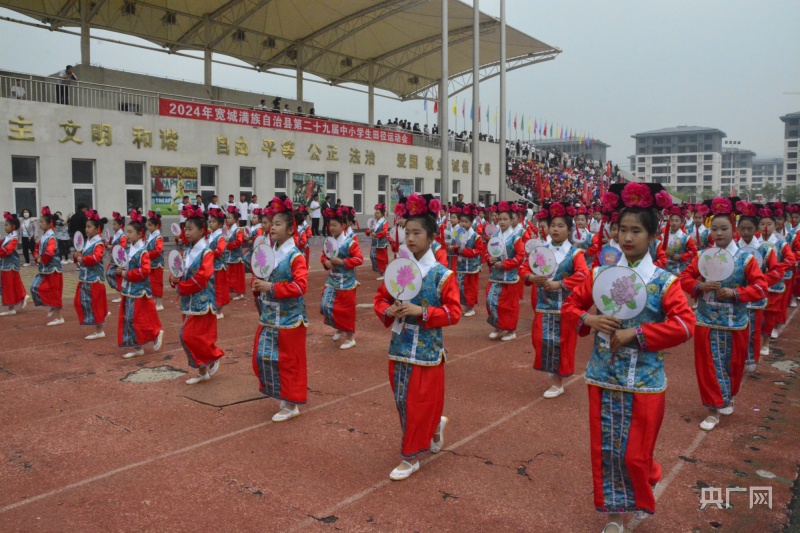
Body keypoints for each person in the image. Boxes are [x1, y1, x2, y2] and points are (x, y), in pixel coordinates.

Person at [562, 182, 695, 533]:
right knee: (606, 448)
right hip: (603, 375)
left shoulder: (664, 282)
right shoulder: (599, 274)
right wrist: (587, 319)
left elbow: (684, 325)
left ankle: (646, 473)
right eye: (622, 229)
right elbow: (569, 306)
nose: (627, 237)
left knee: (635, 454)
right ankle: (615, 513)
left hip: (646, 380)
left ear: (653, 235)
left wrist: (637, 334)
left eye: (636, 230)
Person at [373, 193, 461, 480]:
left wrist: (421, 312)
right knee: (402, 401)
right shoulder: (399, 269)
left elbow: (453, 313)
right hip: (399, 346)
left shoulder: (442, 275)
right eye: (406, 232)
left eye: (417, 232)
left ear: (432, 236)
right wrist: (389, 310)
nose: (410, 238)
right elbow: (380, 300)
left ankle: (410, 457)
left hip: (427, 352)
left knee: (417, 404)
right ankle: (435, 427)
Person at [678, 197, 767, 432]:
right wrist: (700, 287)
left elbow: (760, 288)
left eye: (723, 228)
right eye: (714, 229)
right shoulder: (703, 256)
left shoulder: (745, 259)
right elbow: (685, 278)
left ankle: (728, 395)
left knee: (733, 366)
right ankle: (712, 409)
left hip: (735, 322)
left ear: (733, 229)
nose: (718, 233)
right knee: (709, 366)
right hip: (707, 320)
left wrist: (736, 293)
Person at [521, 202, 589, 397]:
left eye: (560, 226)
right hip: (544, 305)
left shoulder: (575, 253)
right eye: (553, 225)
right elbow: (524, 268)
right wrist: (531, 277)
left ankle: (558, 382)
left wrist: (560, 284)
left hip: (565, 306)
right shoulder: (541, 250)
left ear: (569, 229)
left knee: (561, 343)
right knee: (540, 339)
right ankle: (553, 373)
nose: (555, 229)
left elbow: (584, 274)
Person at [252, 195, 308, 422]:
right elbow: (260, 276)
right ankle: (282, 397)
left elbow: (300, 286)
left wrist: (270, 287)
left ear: (290, 228)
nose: (272, 227)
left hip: (290, 319)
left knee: (289, 362)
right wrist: (257, 285)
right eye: (271, 223)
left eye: (277, 224)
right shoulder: (268, 252)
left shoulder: (296, 256)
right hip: (269, 315)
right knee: (263, 357)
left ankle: (291, 403)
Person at [170, 207, 225, 384]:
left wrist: (182, 287)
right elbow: (180, 273)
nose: (186, 232)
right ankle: (203, 371)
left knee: (188, 336)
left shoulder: (206, 252)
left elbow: (202, 276)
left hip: (202, 301)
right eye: (185, 229)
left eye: (190, 229)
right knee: (194, 338)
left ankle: (214, 355)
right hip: (189, 301)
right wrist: (174, 279)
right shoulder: (185, 253)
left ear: (202, 230)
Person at [736, 202, 780, 369]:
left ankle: (750, 359)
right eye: (743, 228)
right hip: (736, 295)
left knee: (753, 330)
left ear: (756, 229)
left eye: (749, 228)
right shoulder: (732, 248)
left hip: (754, 298)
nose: (746, 232)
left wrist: (760, 283)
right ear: (738, 229)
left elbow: (776, 271)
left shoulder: (764, 249)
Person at [118, 210, 164, 359]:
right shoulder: (130, 249)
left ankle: (155, 333)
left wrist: (127, 274)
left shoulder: (142, 252)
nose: (128, 235)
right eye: (127, 232)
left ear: (139, 234)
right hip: (130, 289)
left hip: (139, 290)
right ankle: (138, 347)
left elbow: (145, 271)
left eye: (130, 232)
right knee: (129, 318)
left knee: (136, 318)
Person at [320, 206, 364, 349]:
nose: (331, 228)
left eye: (335, 225)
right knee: (326, 305)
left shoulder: (350, 242)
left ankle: (350, 337)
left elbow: (359, 259)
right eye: (330, 225)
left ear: (343, 225)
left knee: (346, 310)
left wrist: (343, 262)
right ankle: (339, 327)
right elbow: (323, 256)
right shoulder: (329, 242)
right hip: (332, 279)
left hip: (346, 282)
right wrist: (325, 262)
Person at [484, 201, 525, 341]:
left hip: (510, 277)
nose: (501, 222)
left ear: (512, 220)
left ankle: (510, 330)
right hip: (495, 275)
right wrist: (490, 259)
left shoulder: (515, 237)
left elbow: (520, 256)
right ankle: (498, 326)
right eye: (499, 219)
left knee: (509, 306)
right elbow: (487, 252)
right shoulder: (495, 237)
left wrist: (505, 264)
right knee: (491, 300)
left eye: (505, 219)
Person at [758, 203, 796, 353]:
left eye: (769, 224)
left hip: (774, 284)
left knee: (770, 313)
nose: (765, 227)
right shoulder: (754, 243)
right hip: (756, 283)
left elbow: (791, 260)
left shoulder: (781, 243)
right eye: (762, 224)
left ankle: (766, 343)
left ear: (775, 226)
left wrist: (776, 270)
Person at [73, 209, 108, 340]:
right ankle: (99, 321)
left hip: (94, 280)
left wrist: (82, 259)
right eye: (86, 227)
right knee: (80, 301)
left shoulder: (98, 243)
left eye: (89, 227)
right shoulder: (88, 241)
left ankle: (99, 329)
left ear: (97, 228)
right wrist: (77, 257)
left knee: (95, 304)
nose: (86, 229)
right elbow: (82, 259)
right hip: (86, 278)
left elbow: (96, 258)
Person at [30, 207, 64, 326]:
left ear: (50, 224)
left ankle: (59, 316)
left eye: (42, 222)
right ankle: (51, 305)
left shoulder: (51, 237)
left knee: (54, 291)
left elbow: (50, 252)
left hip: (53, 269)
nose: (40, 224)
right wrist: (36, 256)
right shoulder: (44, 236)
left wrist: (41, 259)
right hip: (45, 268)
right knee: (35, 287)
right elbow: (36, 249)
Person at [453, 204, 484, 317]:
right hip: (461, 265)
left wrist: (464, 251)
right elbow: (456, 248)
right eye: (462, 221)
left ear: (471, 223)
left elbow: (479, 250)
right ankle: (466, 306)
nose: (463, 224)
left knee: (470, 288)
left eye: (466, 222)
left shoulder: (476, 236)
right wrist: (456, 249)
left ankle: (470, 307)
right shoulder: (459, 234)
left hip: (471, 267)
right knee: (461, 286)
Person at [0, 212, 29, 316]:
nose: (5, 227)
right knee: (14, 283)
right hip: (8, 264)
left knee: (8, 285)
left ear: (13, 226)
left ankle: (11, 306)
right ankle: (22, 296)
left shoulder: (13, 238)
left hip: (9, 265)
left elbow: (7, 250)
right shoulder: (9, 237)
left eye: (6, 225)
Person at [207, 208, 230, 319]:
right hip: (211, 265)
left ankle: (219, 310)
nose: (211, 223)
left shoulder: (220, 237)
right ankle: (213, 307)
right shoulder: (210, 235)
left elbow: (219, 250)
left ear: (220, 224)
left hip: (218, 267)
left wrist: (207, 254)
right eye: (210, 221)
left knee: (218, 287)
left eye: (214, 221)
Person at [224, 206, 246, 301]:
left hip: (236, 257)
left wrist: (227, 245)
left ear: (235, 219)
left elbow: (239, 242)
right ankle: (229, 292)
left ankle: (240, 293)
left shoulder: (237, 230)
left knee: (237, 276)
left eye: (229, 218)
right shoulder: (228, 230)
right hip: (229, 257)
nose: (227, 220)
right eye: (227, 218)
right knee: (228, 275)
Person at [145, 211, 165, 311]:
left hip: (157, 264)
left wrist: (147, 255)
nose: (148, 227)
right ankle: (154, 301)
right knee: (151, 282)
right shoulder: (150, 236)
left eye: (150, 225)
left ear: (156, 225)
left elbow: (158, 250)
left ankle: (159, 303)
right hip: (151, 263)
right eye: (148, 225)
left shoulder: (158, 237)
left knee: (157, 282)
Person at [106, 211, 127, 304]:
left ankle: (122, 293)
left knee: (115, 275)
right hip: (114, 259)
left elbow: (123, 246)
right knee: (111, 274)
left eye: (114, 224)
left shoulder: (122, 236)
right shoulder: (115, 235)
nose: (113, 226)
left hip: (120, 260)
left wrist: (112, 247)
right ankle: (121, 293)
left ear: (120, 225)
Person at [366, 203, 389, 280]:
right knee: (372, 256)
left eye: (378, 213)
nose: (376, 214)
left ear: (382, 214)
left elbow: (384, 232)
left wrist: (376, 234)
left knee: (381, 259)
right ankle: (380, 271)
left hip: (381, 243)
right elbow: (368, 230)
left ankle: (383, 273)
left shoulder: (384, 222)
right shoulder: (374, 222)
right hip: (375, 243)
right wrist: (369, 231)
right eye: (375, 213)